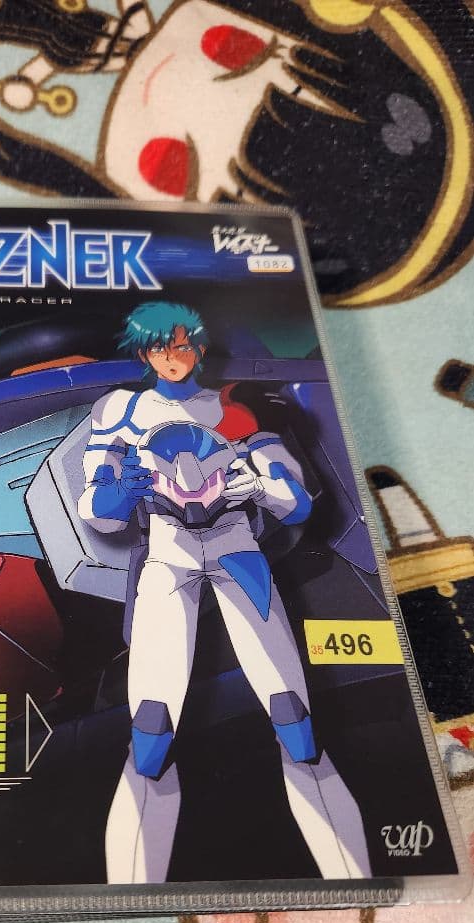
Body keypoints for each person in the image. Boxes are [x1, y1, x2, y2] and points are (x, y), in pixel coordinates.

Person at [78, 301, 371, 883]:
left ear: (199, 346)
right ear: (144, 353)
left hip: (238, 552)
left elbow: (295, 503)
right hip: (167, 556)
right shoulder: (121, 410)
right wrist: (121, 491)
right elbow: (98, 510)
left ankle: (355, 881)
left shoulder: (231, 408)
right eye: (160, 346)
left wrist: (259, 484)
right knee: (152, 731)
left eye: (182, 344)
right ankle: (133, 897)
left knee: (295, 723)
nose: (173, 356)